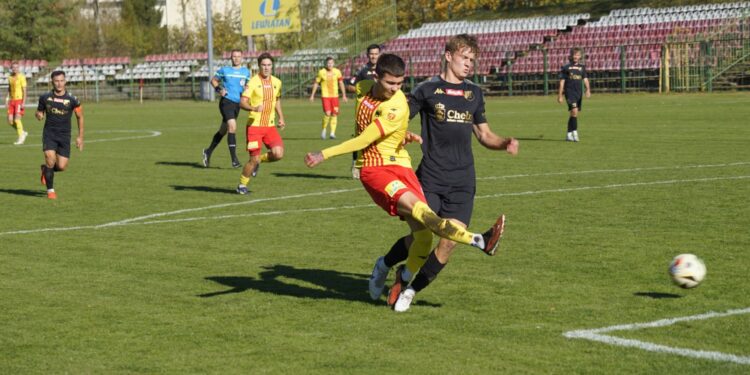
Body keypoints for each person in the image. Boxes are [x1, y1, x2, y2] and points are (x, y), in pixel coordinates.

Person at [304, 54, 506, 311]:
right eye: (390, 83)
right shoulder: (362, 88)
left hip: (402, 167)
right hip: (375, 170)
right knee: (423, 212)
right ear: (375, 76)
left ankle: (388, 269)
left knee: (422, 237)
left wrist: (325, 154)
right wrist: (400, 134)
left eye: (400, 84)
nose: (395, 89)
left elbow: (366, 137)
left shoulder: (397, 106)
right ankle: (479, 240)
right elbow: (364, 139)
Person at [369, 34, 520, 312]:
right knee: (420, 238)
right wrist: (398, 135)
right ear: (448, 56)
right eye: (465, 58)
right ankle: (385, 264)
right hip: (430, 178)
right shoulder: (427, 90)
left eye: (472, 60)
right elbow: (398, 119)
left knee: (449, 243)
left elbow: (484, 135)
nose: (469, 65)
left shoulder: (474, 93)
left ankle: (410, 290)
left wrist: (504, 143)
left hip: (463, 181)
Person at [235, 52, 286, 195]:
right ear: (259, 66)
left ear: (272, 66)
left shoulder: (277, 82)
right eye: (263, 65)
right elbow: (242, 102)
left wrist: (281, 117)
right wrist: (254, 108)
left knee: (278, 154)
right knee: (253, 159)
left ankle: (260, 162)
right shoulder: (252, 82)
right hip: (254, 127)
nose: (266, 68)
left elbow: (277, 100)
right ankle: (242, 185)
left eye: (269, 65)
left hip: (270, 126)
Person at [36, 71, 84, 200]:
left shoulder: (73, 100)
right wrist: (39, 115)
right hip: (49, 134)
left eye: (61, 80)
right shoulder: (45, 97)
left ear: (65, 81)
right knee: (50, 159)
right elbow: (39, 112)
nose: (59, 83)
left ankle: (45, 170)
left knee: (61, 166)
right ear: (52, 81)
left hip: (64, 136)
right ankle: (50, 191)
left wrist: (80, 136)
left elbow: (80, 117)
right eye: (56, 81)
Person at [202, 49, 251, 168]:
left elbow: (247, 86)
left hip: (237, 104)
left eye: (238, 56)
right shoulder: (225, 70)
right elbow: (213, 80)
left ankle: (208, 152)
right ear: (231, 58)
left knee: (223, 130)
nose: (236, 58)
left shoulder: (246, 72)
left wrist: (247, 92)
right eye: (234, 56)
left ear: (242, 58)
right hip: (226, 102)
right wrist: (219, 89)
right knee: (232, 126)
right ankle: (234, 160)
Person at [345, 44, 381, 179]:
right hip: (364, 109)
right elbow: (349, 86)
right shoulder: (362, 71)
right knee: (360, 137)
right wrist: (363, 89)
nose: (374, 56)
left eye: (376, 54)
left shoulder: (383, 70)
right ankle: (355, 164)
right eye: (371, 54)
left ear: (379, 54)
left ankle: (376, 167)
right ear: (367, 55)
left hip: (380, 109)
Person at [309, 56, 347, 140]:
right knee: (328, 113)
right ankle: (324, 129)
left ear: (333, 63)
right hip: (325, 96)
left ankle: (332, 133)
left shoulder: (337, 72)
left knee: (334, 114)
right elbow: (316, 83)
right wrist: (312, 95)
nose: (329, 64)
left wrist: (344, 95)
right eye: (328, 63)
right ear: (325, 64)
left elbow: (341, 83)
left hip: (335, 97)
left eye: (331, 63)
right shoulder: (321, 72)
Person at [558, 47, 590, 142]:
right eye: (574, 55)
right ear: (571, 56)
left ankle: (568, 134)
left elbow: (585, 79)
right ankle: (575, 133)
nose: (575, 56)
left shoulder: (582, 67)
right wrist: (560, 95)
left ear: (580, 56)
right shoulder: (566, 67)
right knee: (574, 111)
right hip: (569, 92)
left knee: (574, 114)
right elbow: (561, 82)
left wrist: (588, 89)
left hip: (579, 93)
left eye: (577, 55)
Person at [7, 61, 28, 145]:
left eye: (16, 67)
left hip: (19, 100)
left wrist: (24, 102)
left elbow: (25, 91)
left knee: (17, 119)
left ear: (18, 68)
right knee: (10, 121)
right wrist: (7, 98)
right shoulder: (10, 77)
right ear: (11, 68)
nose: (15, 69)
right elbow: (9, 88)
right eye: (13, 67)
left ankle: (21, 138)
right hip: (12, 101)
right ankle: (22, 132)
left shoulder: (22, 77)